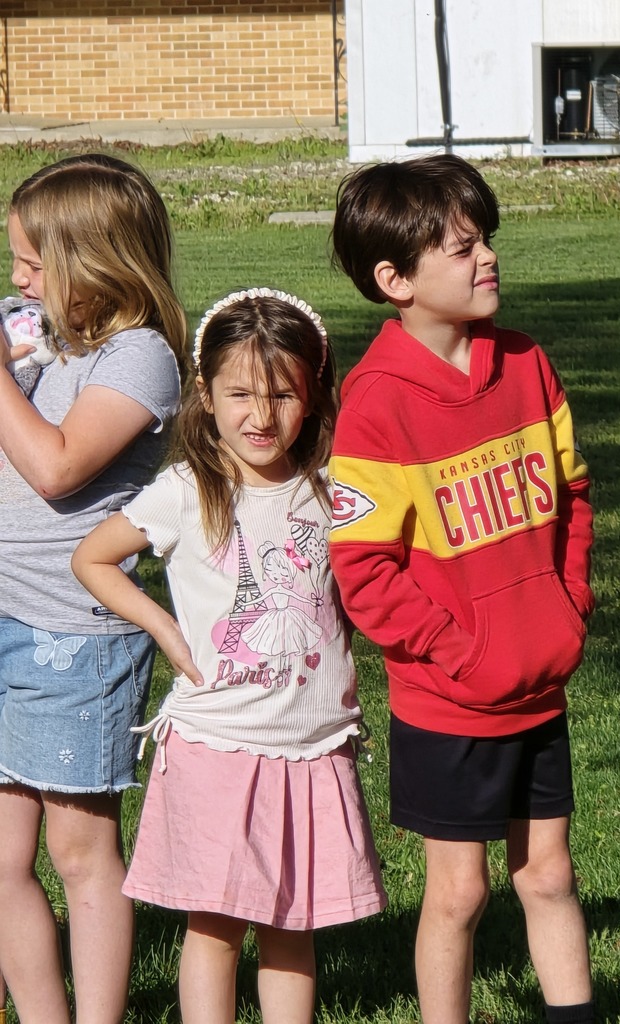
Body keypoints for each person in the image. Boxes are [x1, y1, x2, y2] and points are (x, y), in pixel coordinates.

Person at [329, 154, 596, 1024]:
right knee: (459, 895)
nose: (487, 258)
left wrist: (569, 604)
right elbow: (365, 573)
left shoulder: (526, 362)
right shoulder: (376, 402)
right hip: (450, 701)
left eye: (486, 241)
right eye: (461, 247)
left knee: (549, 875)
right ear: (394, 279)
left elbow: (575, 495)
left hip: (539, 682)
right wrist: (463, 652)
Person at [72, 288, 386, 1024]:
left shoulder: (334, 490)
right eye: (240, 393)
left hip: (313, 748)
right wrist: (165, 630)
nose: (261, 414)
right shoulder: (186, 491)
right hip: (217, 747)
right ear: (205, 397)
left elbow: (392, 557)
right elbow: (94, 558)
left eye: (283, 393)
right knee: (213, 927)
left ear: (312, 396)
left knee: (291, 928)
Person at [0, 153, 187, 1024]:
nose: (17, 280)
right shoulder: (44, 343)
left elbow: (55, 466)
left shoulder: (140, 358)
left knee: (80, 851)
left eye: (34, 266)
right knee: (3, 855)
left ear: (94, 263)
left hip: (75, 635)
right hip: (3, 616)